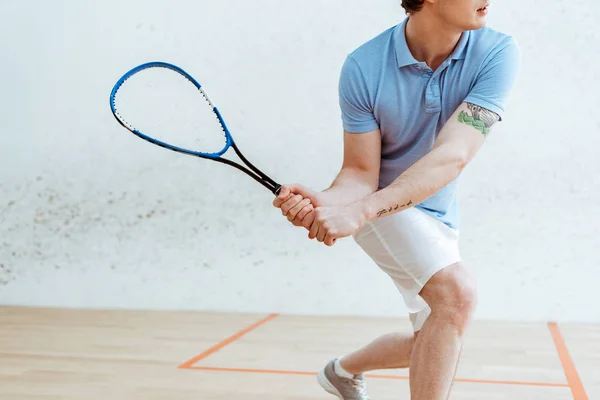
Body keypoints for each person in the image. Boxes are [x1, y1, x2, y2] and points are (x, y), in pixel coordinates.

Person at [272, 0, 520, 399]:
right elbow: (359, 172)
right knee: (458, 294)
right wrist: (329, 200)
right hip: (382, 205)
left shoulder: (497, 51)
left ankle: (342, 372)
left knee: (437, 335)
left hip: (429, 209)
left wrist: (355, 210)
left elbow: (453, 155)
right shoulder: (363, 67)